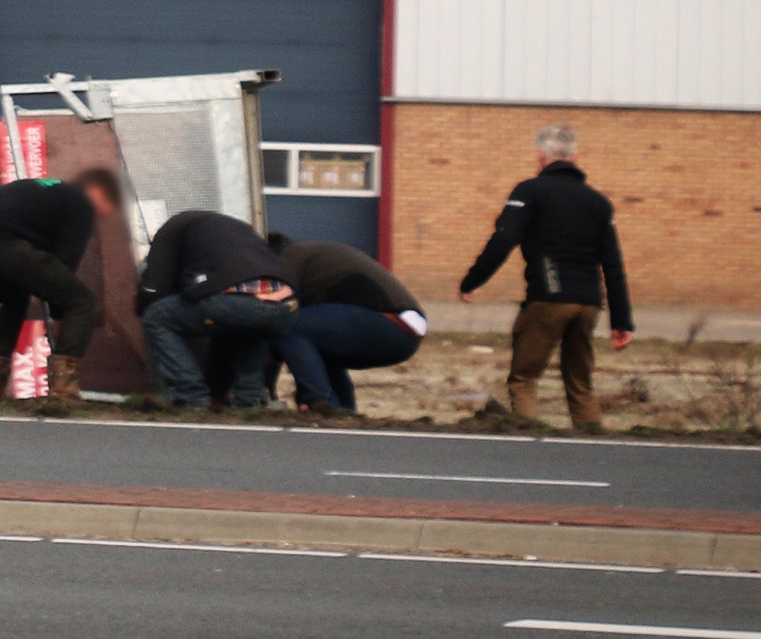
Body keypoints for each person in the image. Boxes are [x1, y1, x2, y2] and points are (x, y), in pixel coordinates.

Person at [457, 127, 632, 434]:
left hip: (548, 297)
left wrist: (472, 281)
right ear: (576, 157)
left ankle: (532, 448)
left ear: (541, 156)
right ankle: (592, 446)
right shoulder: (599, 204)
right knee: (580, 382)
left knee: (523, 379)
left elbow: (504, 239)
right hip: (588, 303)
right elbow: (614, 264)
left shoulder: (530, 191)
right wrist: (622, 321)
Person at [0, 164, 125, 406]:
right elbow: (65, 265)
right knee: (82, 302)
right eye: (108, 208)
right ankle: (64, 392)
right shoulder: (82, 203)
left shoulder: (50, 191)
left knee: (14, 301)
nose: (103, 217)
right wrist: (64, 313)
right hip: (0, 241)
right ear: (99, 194)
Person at [238, 235, 430, 419]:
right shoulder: (308, 256)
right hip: (405, 327)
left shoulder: (286, 260)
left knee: (288, 325)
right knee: (317, 343)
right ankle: (342, 413)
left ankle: (319, 403)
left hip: (390, 321)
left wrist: (261, 389)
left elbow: (273, 323)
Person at [135, 205, 298, 412]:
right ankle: (250, 400)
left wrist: (140, 305)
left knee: (156, 316)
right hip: (284, 305)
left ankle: (190, 395)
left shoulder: (172, 228)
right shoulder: (242, 230)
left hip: (233, 299)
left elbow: (152, 288)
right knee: (252, 328)